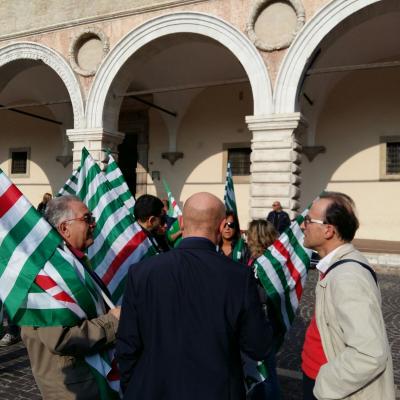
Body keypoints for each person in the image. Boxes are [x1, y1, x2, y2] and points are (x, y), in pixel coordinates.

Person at [116, 192, 273, 400]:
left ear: (181, 222)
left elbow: (127, 346)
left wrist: (134, 388)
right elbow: (258, 346)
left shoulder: (142, 272)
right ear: (220, 226)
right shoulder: (239, 277)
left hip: (152, 390)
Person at [21, 195, 121, 400]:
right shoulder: (47, 274)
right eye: (87, 218)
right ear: (64, 228)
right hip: (74, 388)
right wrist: (113, 322)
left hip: (93, 378)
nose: (94, 224)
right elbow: (60, 338)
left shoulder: (74, 263)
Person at [300, 192, 395, 400]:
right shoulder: (334, 267)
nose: (301, 226)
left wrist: (323, 383)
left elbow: (369, 353)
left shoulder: (347, 277)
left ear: (328, 230)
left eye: (308, 220)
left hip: (330, 389)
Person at [246, 220, 281, 400]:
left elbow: (262, 295)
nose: (246, 237)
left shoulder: (263, 263)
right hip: (266, 321)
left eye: (249, 233)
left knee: (267, 372)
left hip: (263, 321)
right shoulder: (261, 258)